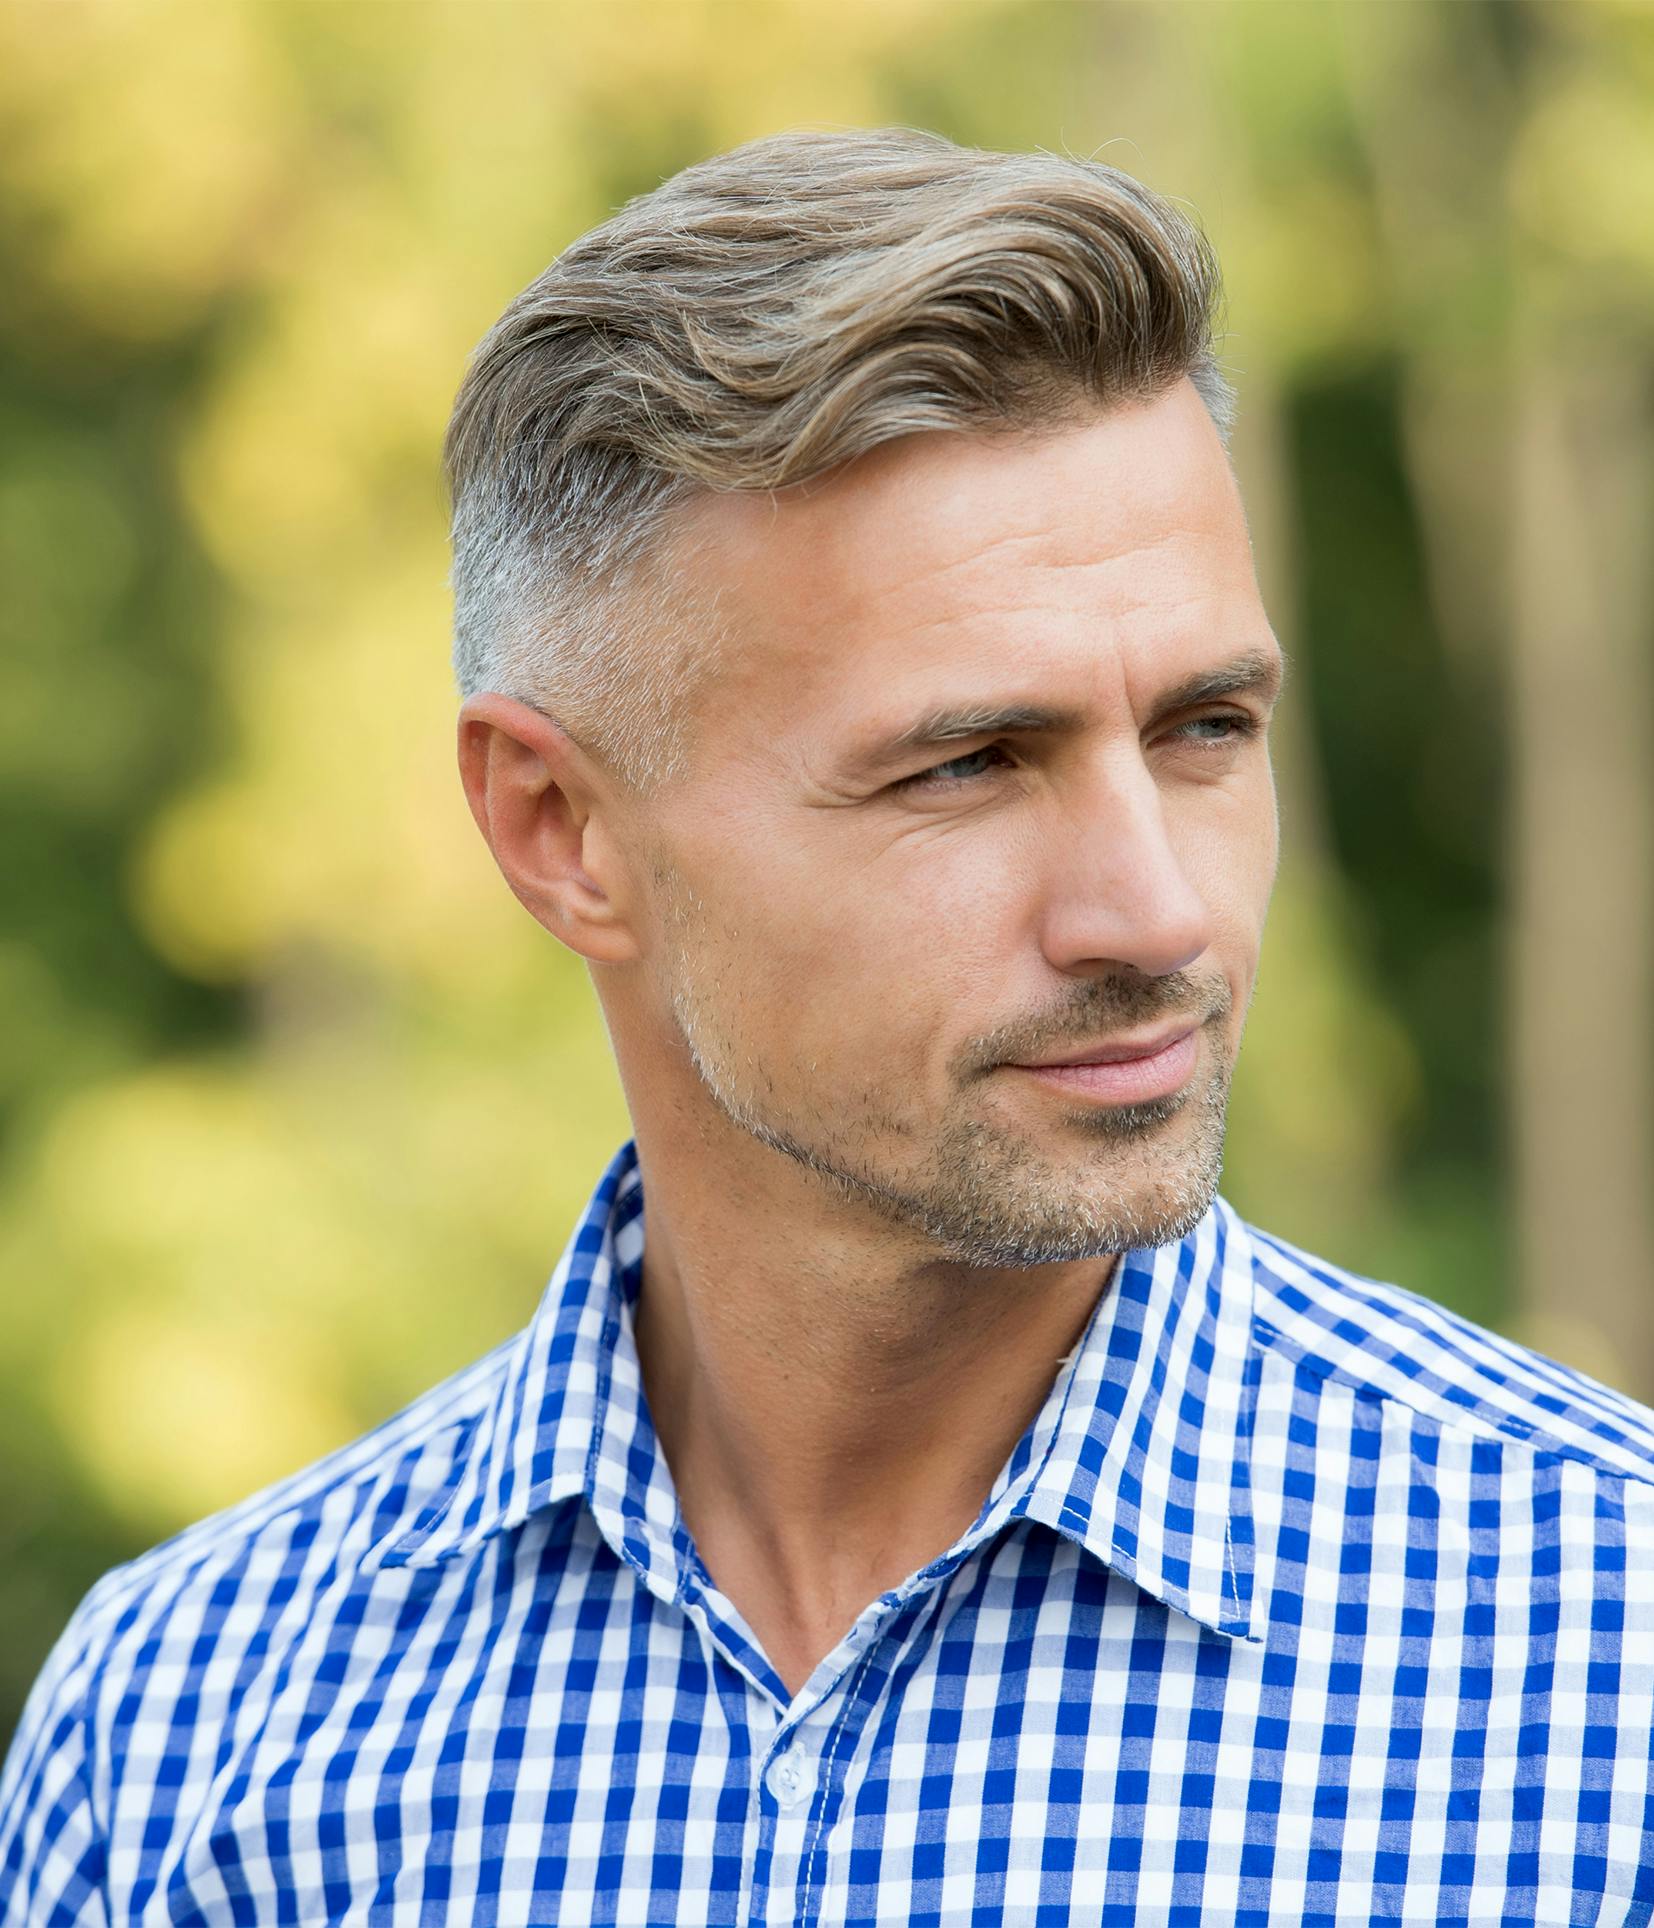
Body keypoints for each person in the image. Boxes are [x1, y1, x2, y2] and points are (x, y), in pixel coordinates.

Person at [3, 124, 1651, 1927]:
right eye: (965, 764)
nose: (1156, 911)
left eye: (1203, 731)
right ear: (561, 833)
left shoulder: (1601, 1659)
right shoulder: (181, 1752)